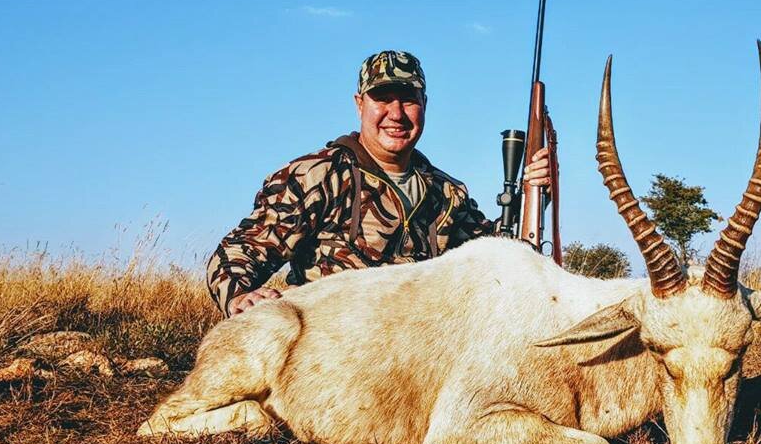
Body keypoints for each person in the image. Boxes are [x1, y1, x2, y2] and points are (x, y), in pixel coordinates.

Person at [206, 50, 551, 316]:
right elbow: (238, 252)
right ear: (360, 105)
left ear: (424, 105)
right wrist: (238, 295)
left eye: (408, 99)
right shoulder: (316, 176)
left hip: (418, 350)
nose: (397, 114)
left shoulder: (447, 195)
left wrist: (536, 196)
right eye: (383, 99)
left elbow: (496, 255)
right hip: (331, 346)